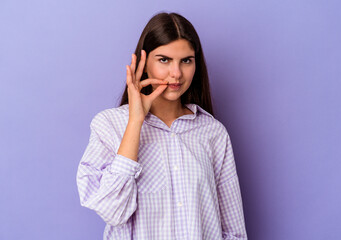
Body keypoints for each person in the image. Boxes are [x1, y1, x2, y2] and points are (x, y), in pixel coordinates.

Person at [76, 12, 247, 240]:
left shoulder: (213, 132)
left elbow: (233, 231)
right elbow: (112, 211)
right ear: (144, 63)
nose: (176, 73)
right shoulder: (109, 125)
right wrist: (135, 121)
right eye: (164, 60)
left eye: (186, 60)